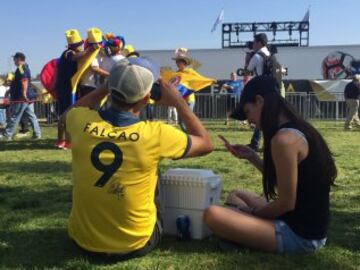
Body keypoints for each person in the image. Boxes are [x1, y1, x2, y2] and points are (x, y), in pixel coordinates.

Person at [62, 57, 213, 260]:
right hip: (136, 243)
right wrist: (178, 102)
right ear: (147, 97)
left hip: (83, 241)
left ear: (110, 88)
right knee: (151, 167)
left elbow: (68, 114)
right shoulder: (156, 134)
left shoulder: (79, 121)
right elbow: (206, 143)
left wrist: (104, 88)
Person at [204, 76, 337, 254]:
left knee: (212, 214)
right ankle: (239, 232)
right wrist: (252, 157)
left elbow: (285, 203)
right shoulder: (298, 129)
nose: (249, 120)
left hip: (300, 236)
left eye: (248, 111)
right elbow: (287, 184)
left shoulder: (283, 140)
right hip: (305, 226)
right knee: (237, 194)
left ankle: (239, 234)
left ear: (259, 101)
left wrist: (250, 214)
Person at [54, 29, 93, 149]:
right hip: (66, 89)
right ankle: (65, 141)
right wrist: (90, 50)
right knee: (67, 115)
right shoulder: (68, 53)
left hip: (66, 88)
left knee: (65, 115)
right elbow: (75, 57)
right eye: (81, 45)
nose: (82, 47)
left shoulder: (66, 54)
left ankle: (62, 140)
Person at [0, 52, 41, 141]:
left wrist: (24, 94)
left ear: (18, 59)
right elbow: (19, 82)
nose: (14, 61)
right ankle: (37, 135)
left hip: (21, 98)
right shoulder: (24, 67)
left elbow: (24, 81)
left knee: (15, 116)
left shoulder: (21, 69)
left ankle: (7, 135)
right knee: (32, 116)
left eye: (14, 59)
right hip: (27, 97)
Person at [245, 33, 270, 151]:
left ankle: (256, 143)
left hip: (261, 89)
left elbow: (247, 71)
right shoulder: (269, 53)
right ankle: (262, 143)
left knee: (261, 117)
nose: (253, 44)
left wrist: (247, 59)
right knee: (266, 117)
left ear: (259, 43)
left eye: (254, 42)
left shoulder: (257, 56)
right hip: (271, 88)